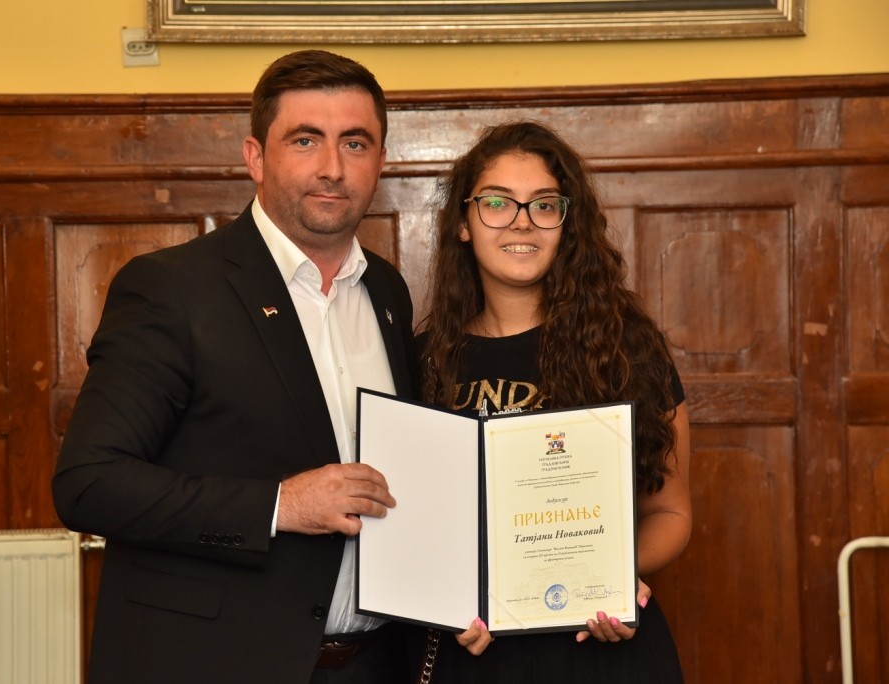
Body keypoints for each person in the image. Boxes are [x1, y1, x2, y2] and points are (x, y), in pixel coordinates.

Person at [52, 49, 417, 684]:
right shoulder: (172, 289)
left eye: (355, 143)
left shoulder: (386, 291)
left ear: (380, 161)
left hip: (374, 664)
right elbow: (89, 483)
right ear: (255, 157)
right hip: (216, 663)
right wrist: (280, 505)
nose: (333, 168)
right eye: (305, 140)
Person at [412, 121, 692, 682]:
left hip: (603, 650)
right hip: (478, 657)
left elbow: (672, 512)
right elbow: (412, 528)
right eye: (497, 202)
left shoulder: (625, 347)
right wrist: (445, 597)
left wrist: (609, 578)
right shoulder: (423, 361)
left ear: (567, 224)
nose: (522, 221)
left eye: (544, 204)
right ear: (463, 223)